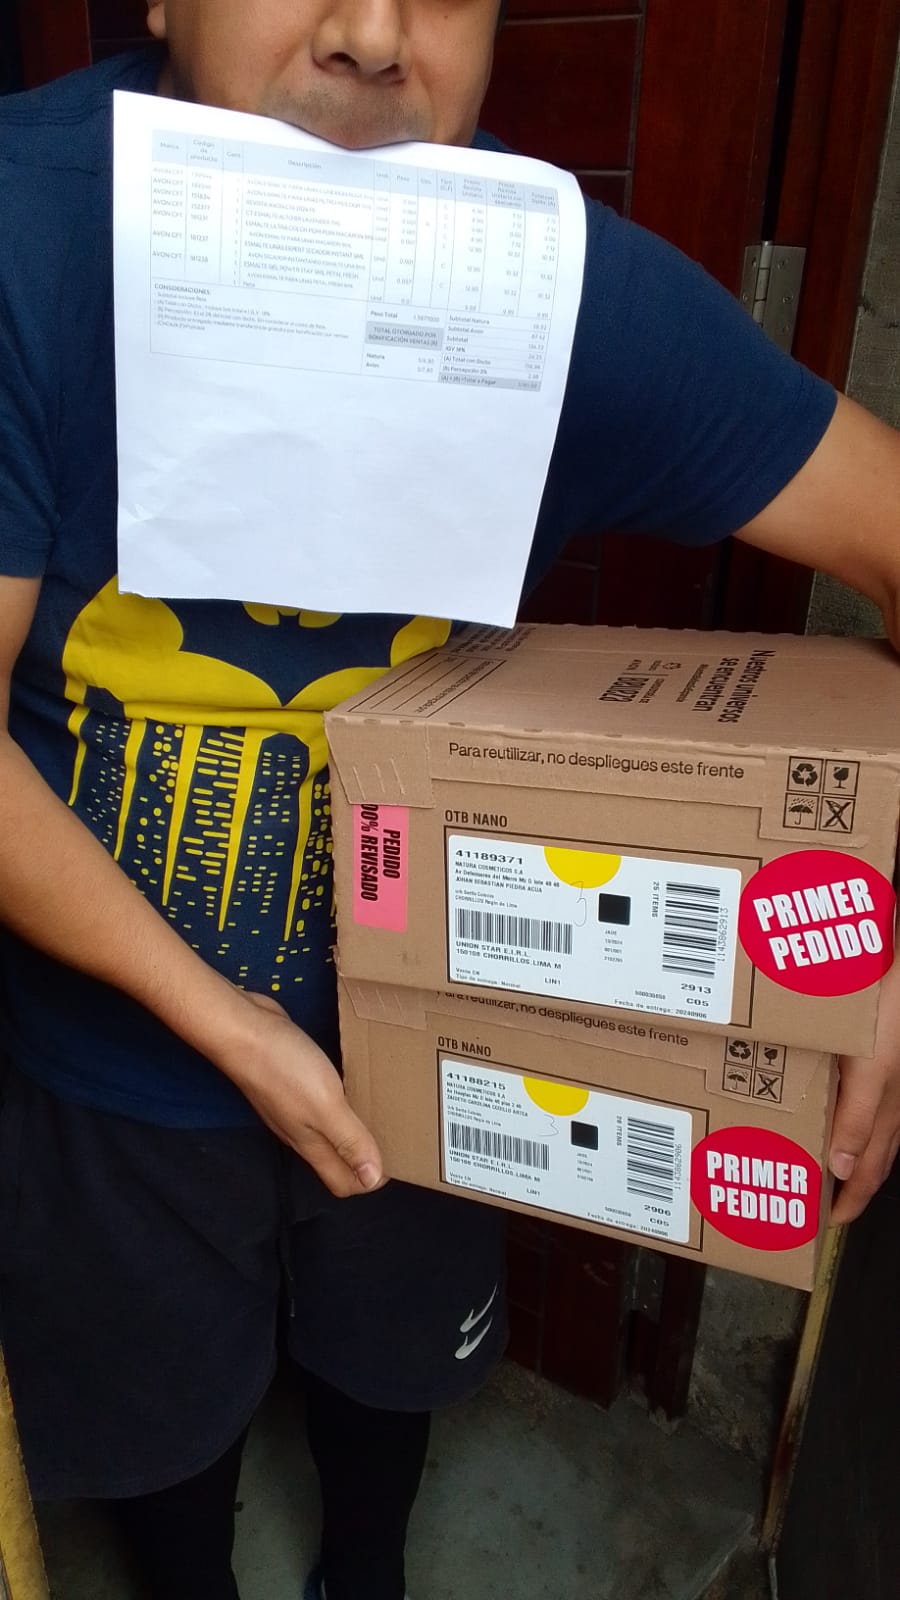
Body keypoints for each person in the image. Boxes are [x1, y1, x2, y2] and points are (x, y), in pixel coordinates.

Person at [1, 3, 899, 1597]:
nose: (369, 34)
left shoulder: (557, 288)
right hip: (106, 1052)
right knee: (158, 1440)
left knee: (391, 1378)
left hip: (441, 1019)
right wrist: (220, 1022)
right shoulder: (28, 237)